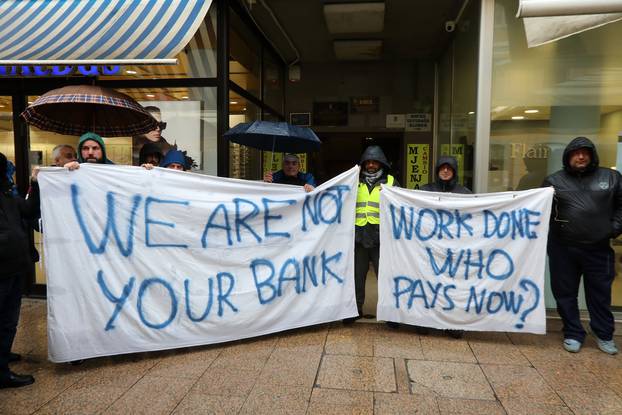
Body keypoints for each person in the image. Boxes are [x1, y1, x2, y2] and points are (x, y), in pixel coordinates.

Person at [543, 136, 621, 355]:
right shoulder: (554, 181)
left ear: (592, 155)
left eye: (585, 153)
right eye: (576, 153)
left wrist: (613, 228)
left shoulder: (612, 177)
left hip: (598, 248)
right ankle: (573, 332)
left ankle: (604, 334)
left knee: (600, 293)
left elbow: (621, 206)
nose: (580, 157)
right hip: (562, 249)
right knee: (565, 293)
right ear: (568, 157)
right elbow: (540, 212)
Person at [344, 145, 397, 324]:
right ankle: (355, 310)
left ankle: (390, 313)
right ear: (364, 163)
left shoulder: (390, 181)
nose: (372, 165)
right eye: (368, 162)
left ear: (381, 162)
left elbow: (402, 204)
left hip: (380, 238)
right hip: (359, 238)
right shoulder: (353, 181)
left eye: (375, 162)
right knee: (357, 277)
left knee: (385, 277)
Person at [421, 155, 472, 338]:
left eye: (449, 168)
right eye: (442, 168)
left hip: (454, 249)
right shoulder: (425, 190)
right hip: (430, 247)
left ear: (454, 171)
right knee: (429, 283)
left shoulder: (464, 193)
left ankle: (452, 323)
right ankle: (424, 319)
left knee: (452, 285)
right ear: (437, 171)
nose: (445, 171)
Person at [0, 152, 39, 389]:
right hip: (4, 268)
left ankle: (3, 356)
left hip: (15, 267)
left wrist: (35, 184)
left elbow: (28, 210)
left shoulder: (7, 194)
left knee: (8, 319)